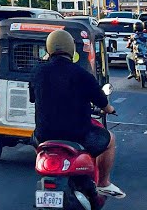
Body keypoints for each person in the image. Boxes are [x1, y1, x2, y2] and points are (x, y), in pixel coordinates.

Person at [29, 30, 124, 199]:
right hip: (78, 134)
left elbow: (32, 98)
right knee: (110, 140)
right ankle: (103, 183)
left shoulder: (38, 72)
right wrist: (109, 109)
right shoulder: (82, 74)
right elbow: (103, 102)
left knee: (34, 138)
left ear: (48, 48)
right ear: (71, 49)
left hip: (44, 136)